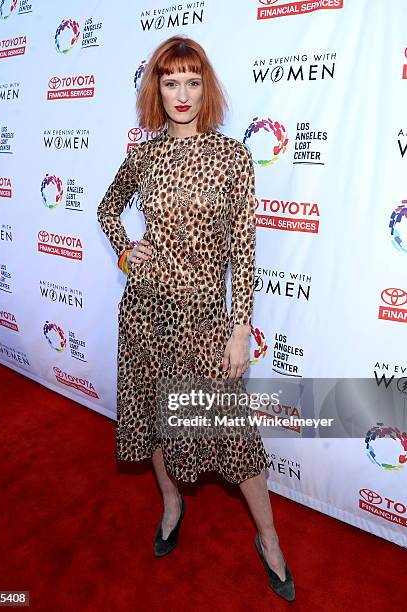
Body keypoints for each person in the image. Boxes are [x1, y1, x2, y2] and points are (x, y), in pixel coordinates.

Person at [97, 35, 295, 602]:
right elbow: (108, 209)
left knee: (233, 437)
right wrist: (129, 251)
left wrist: (240, 326)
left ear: (205, 87)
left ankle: (270, 538)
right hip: (145, 313)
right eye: (169, 81)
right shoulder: (144, 154)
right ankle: (171, 504)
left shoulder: (233, 157)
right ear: (155, 89)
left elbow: (245, 252)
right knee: (156, 419)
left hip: (207, 319)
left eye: (191, 81)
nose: (181, 94)